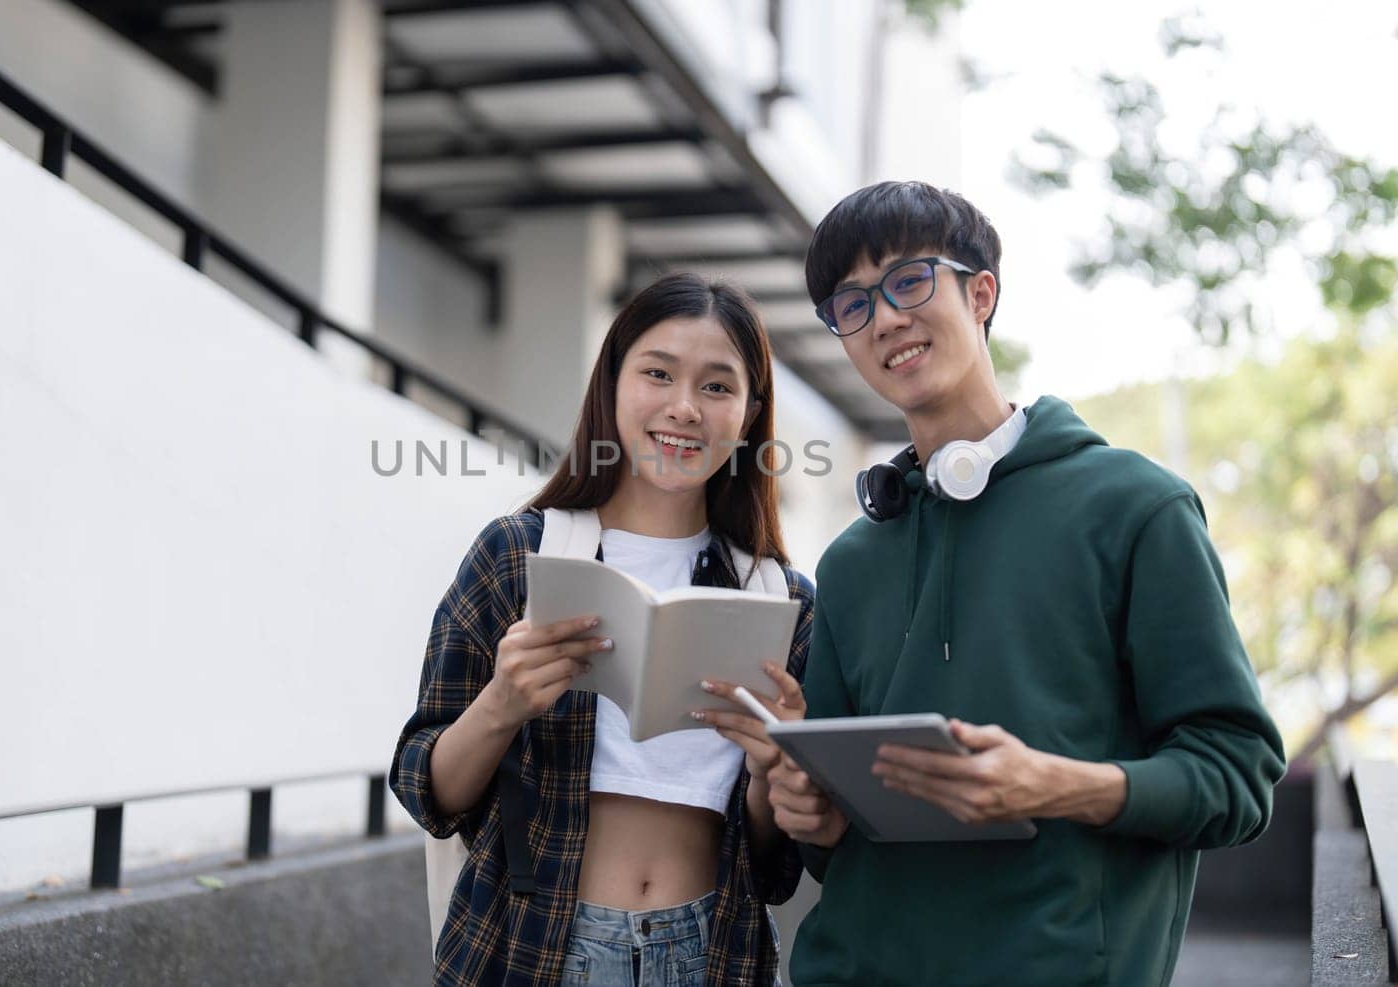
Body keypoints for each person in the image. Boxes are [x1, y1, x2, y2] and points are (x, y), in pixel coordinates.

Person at [708, 182, 1286, 986]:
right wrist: (813, 810)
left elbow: (1237, 773)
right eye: (853, 304)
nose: (886, 319)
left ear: (981, 292)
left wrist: (1057, 784)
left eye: (909, 281)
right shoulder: (850, 562)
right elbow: (828, 842)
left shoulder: (1136, 508)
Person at [390, 273, 815, 986]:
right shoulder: (518, 556)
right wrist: (502, 703)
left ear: (748, 414)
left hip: (712, 951)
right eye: (658, 373)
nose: (684, 408)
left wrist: (775, 767)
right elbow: (425, 788)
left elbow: (775, 867)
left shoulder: (780, 599)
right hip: (533, 947)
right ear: (613, 382)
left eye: (717, 387)